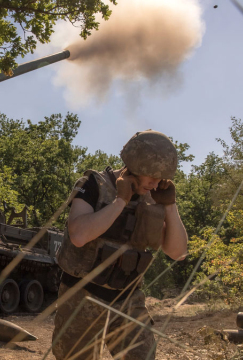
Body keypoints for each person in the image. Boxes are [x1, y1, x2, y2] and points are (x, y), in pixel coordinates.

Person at [52, 130, 189, 360]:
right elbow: (78, 235)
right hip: (82, 296)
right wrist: (120, 202)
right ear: (135, 164)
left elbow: (178, 252)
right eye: (152, 176)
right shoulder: (94, 184)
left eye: (161, 178)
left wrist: (170, 207)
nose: (156, 184)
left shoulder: (153, 198)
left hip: (127, 300)